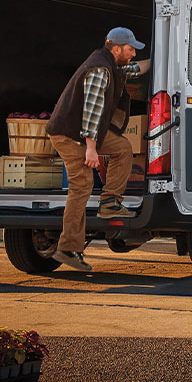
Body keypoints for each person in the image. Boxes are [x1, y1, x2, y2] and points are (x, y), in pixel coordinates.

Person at [45, 28, 151, 271]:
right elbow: (91, 113)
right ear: (116, 48)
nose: (133, 53)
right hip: (70, 136)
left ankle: (110, 202)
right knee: (81, 187)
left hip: (85, 135)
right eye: (130, 48)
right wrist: (91, 150)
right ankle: (68, 248)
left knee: (123, 147)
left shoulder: (113, 64)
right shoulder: (99, 70)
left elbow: (135, 69)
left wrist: (160, 59)